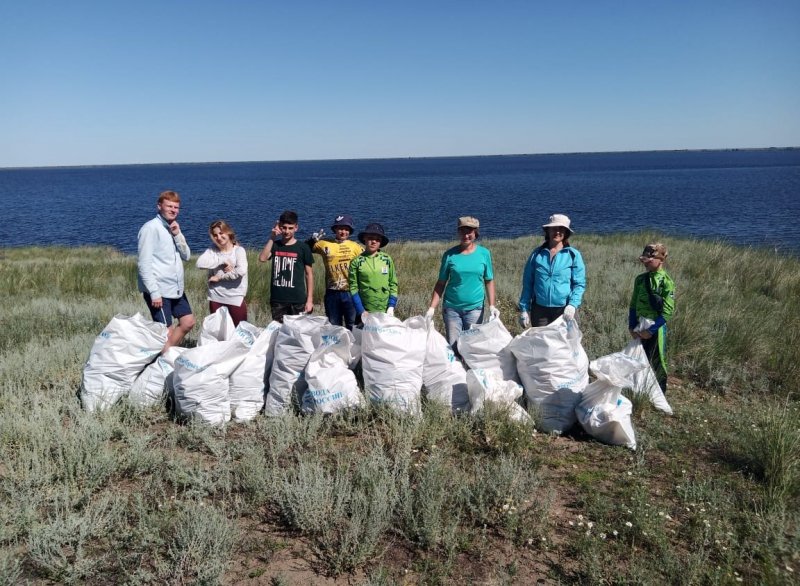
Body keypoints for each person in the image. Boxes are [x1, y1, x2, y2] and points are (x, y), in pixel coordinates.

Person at [426, 216, 499, 348]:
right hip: (452, 309)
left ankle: (469, 369)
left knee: (471, 346)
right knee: (454, 347)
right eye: (463, 231)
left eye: (469, 232)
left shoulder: (484, 253)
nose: (466, 235)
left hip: (475, 309)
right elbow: (441, 283)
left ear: (475, 233)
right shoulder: (449, 255)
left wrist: (492, 305)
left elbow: (489, 280)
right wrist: (432, 308)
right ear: (458, 232)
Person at [137, 190, 196, 350]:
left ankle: (166, 355)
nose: (173, 210)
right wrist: (154, 292)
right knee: (166, 333)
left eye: (176, 207)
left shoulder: (173, 227)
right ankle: (162, 363)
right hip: (159, 290)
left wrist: (177, 234)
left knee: (188, 322)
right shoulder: (150, 228)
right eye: (169, 206)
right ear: (159, 206)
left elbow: (187, 255)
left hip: (176, 288)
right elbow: (144, 264)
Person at [518, 213, 586, 328]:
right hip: (540, 312)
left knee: (565, 345)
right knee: (541, 344)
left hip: (565, 311)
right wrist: (524, 309)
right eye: (554, 228)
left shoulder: (573, 255)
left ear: (566, 233)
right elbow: (527, 283)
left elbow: (579, 284)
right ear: (548, 231)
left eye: (561, 229)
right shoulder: (537, 254)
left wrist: (572, 305)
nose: (557, 232)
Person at [629, 242, 676, 393]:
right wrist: (632, 326)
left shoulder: (666, 282)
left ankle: (660, 392)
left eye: (649, 261)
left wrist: (651, 330)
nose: (645, 264)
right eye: (644, 261)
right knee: (638, 358)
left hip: (656, 329)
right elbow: (633, 305)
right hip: (639, 326)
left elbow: (667, 311)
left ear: (660, 260)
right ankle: (638, 390)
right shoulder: (640, 280)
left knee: (657, 360)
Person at [306, 214, 363, 330]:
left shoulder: (355, 247)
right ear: (335, 229)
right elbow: (304, 249)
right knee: (333, 326)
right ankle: (336, 348)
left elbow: (368, 259)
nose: (343, 232)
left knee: (352, 325)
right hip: (332, 293)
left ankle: (352, 348)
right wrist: (311, 240)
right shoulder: (324, 244)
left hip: (351, 293)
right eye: (340, 228)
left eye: (346, 229)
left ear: (350, 231)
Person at [258, 210, 314, 323]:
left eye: (290, 228)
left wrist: (309, 300)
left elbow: (309, 274)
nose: (287, 231)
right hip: (278, 299)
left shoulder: (303, 248)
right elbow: (262, 258)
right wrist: (272, 237)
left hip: (298, 300)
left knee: (298, 333)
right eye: (284, 228)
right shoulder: (275, 245)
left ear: (296, 228)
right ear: (279, 227)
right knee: (280, 333)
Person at [195, 220, 248, 326]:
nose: (218, 237)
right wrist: (221, 261)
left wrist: (219, 277)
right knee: (218, 333)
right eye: (215, 235)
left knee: (239, 332)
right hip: (216, 298)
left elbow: (241, 271)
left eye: (221, 233)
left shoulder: (238, 251)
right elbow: (199, 263)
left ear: (228, 233)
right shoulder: (212, 251)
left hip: (235, 298)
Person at [348, 222, 398, 323]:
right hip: (365, 313)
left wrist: (391, 306)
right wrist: (361, 310)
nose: (374, 241)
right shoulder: (356, 262)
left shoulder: (387, 259)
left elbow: (393, 284)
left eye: (377, 239)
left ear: (381, 242)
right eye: (370, 238)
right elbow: (353, 288)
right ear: (364, 239)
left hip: (385, 312)